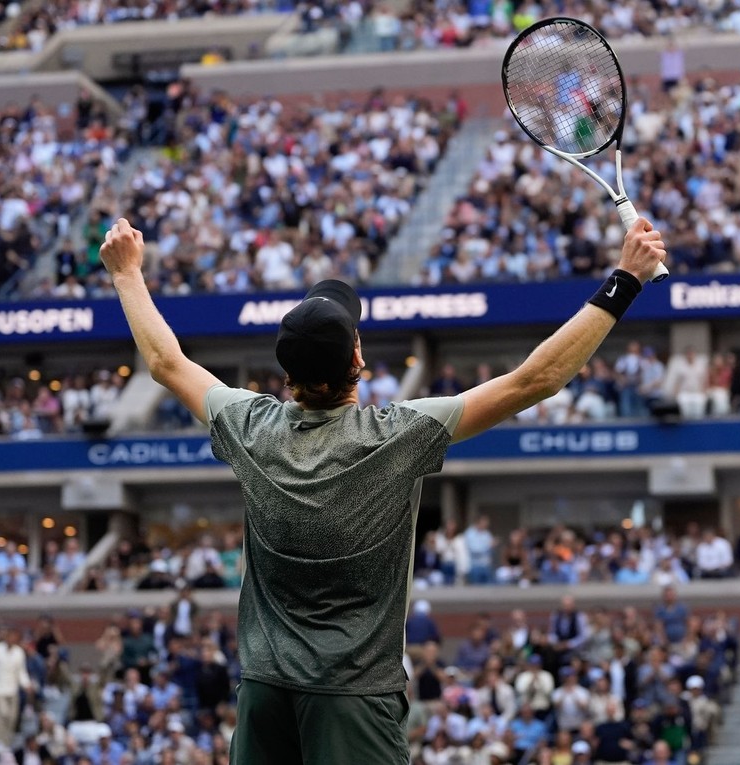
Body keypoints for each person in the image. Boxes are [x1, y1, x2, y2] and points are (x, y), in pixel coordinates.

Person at [99, 215, 667, 763]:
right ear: (359, 360)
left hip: (264, 696)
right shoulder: (394, 437)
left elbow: (165, 361)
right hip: (354, 699)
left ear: (288, 378)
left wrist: (127, 274)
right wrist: (625, 281)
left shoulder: (249, 428)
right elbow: (535, 380)